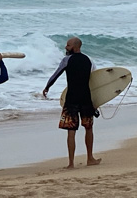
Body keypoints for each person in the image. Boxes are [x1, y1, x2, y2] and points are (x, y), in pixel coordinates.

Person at [42, 36, 101, 169]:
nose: (65, 48)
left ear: (75, 47)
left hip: (72, 100)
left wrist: (47, 87)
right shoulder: (89, 60)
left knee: (71, 131)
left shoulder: (67, 60)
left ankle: (71, 163)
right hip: (86, 99)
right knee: (89, 128)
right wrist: (97, 100)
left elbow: (56, 75)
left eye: (68, 45)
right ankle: (90, 158)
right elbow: (96, 81)